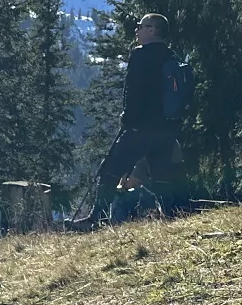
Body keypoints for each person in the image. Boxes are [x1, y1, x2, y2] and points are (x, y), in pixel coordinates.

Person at [78, 12, 185, 226]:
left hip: (140, 128)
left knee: (109, 170)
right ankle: (172, 218)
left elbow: (133, 91)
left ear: (153, 30)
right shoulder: (172, 57)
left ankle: (96, 217)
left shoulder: (140, 55)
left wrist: (128, 117)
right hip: (166, 128)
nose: (136, 30)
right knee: (162, 176)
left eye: (141, 26)